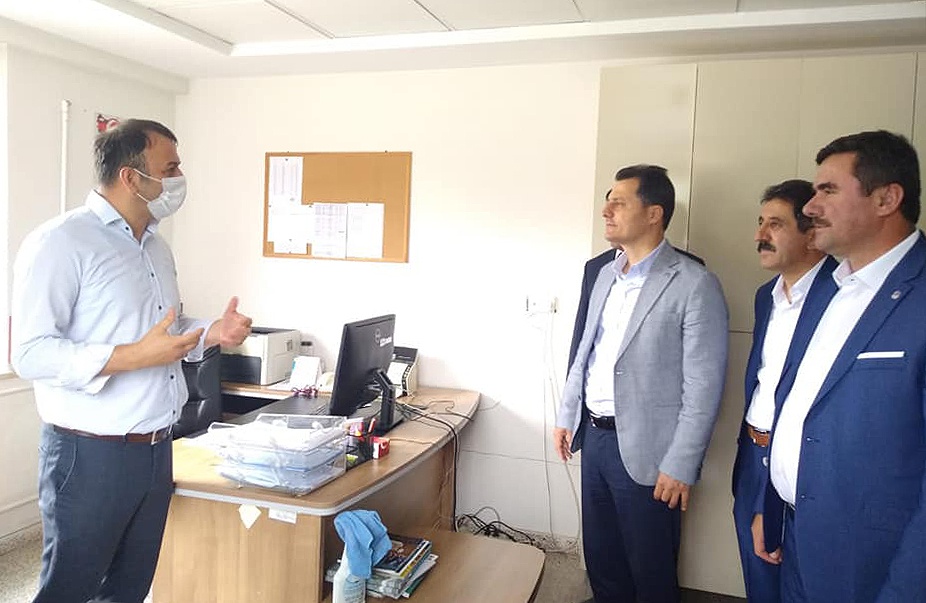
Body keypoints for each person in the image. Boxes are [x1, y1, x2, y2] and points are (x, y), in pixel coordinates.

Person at [10, 118, 253, 603]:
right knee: (69, 589)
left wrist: (212, 332)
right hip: (89, 453)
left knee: (130, 588)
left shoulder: (156, 246)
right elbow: (29, 354)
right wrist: (132, 357)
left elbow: (166, 329)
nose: (179, 178)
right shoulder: (60, 242)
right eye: (170, 168)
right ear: (130, 177)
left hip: (157, 448)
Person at [763, 130, 926, 602]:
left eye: (828, 191)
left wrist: (906, 589)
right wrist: (771, 507)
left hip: (874, 562)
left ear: (886, 199)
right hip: (799, 539)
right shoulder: (831, 289)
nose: (811, 206)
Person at [553, 164, 729, 603]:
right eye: (607, 201)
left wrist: (681, 463)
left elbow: (704, 386)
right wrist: (567, 415)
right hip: (596, 439)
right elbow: (586, 352)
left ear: (654, 213)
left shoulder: (694, 283)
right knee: (603, 562)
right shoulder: (605, 274)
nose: (606, 210)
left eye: (619, 202)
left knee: (650, 570)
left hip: (652, 451)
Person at [731, 179, 835, 603]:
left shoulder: (842, 295)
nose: (760, 235)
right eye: (760, 222)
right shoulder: (766, 297)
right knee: (759, 582)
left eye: (775, 224)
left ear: (812, 233)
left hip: (802, 464)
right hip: (753, 458)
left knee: (803, 585)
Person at [568, 192, 704, 367]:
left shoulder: (690, 271)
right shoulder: (596, 268)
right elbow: (583, 332)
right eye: (609, 204)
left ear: (653, 215)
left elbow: (697, 355)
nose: (607, 214)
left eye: (619, 205)